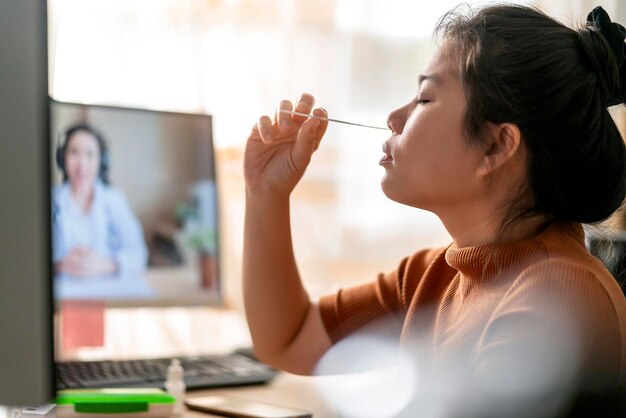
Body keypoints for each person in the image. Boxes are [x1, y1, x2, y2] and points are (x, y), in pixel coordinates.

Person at [242, 3, 626, 417]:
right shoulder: (432, 278)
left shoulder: (559, 293)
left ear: (497, 146)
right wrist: (266, 193)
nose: (394, 118)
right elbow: (291, 339)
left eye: (424, 98)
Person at [53, 123, 148, 279]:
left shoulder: (114, 199)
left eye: (90, 154)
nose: (81, 164)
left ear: (101, 161)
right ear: (63, 158)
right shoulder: (53, 200)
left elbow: (139, 255)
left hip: (106, 292)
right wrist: (59, 266)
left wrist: (107, 264)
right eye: (74, 153)